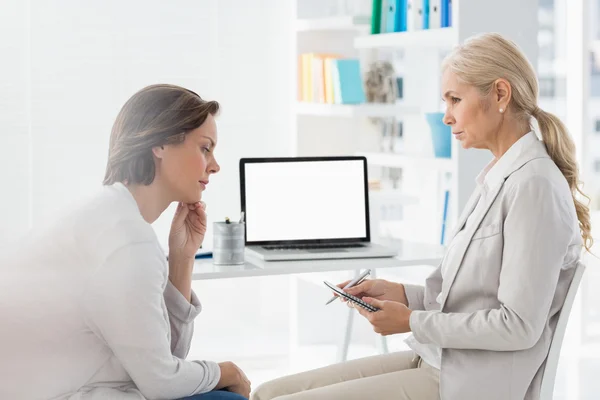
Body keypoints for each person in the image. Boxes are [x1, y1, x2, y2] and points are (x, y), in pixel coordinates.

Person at [251, 33, 593, 400]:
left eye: (455, 100)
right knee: (268, 392)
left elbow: (519, 326)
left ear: (500, 94)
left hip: (467, 383)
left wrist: (410, 321)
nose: (446, 116)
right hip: (437, 360)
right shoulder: (498, 177)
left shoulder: (534, 186)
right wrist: (400, 294)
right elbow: (466, 299)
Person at [0, 84, 251, 400]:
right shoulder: (127, 243)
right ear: (159, 143)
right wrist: (226, 371)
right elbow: (162, 381)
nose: (214, 166)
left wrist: (182, 258)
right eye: (205, 148)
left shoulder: (107, 216)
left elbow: (162, 359)